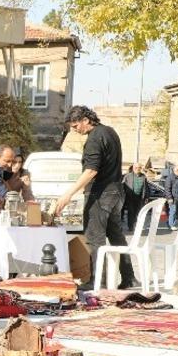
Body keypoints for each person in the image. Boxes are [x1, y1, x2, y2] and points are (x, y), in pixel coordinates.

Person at [54, 105, 138, 289]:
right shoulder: (110, 132)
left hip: (100, 193)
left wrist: (68, 194)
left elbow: (91, 169)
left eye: (76, 126)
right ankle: (129, 277)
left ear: (86, 120)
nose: (75, 131)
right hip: (116, 192)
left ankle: (98, 281)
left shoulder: (93, 139)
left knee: (94, 237)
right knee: (116, 236)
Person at [121, 163, 148, 231]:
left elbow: (146, 187)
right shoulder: (128, 176)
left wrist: (146, 197)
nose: (137, 169)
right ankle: (130, 227)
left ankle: (136, 225)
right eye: (136, 167)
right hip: (130, 198)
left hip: (140, 198)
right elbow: (123, 187)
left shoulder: (143, 176)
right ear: (133, 168)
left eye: (139, 167)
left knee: (138, 212)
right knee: (131, 212)